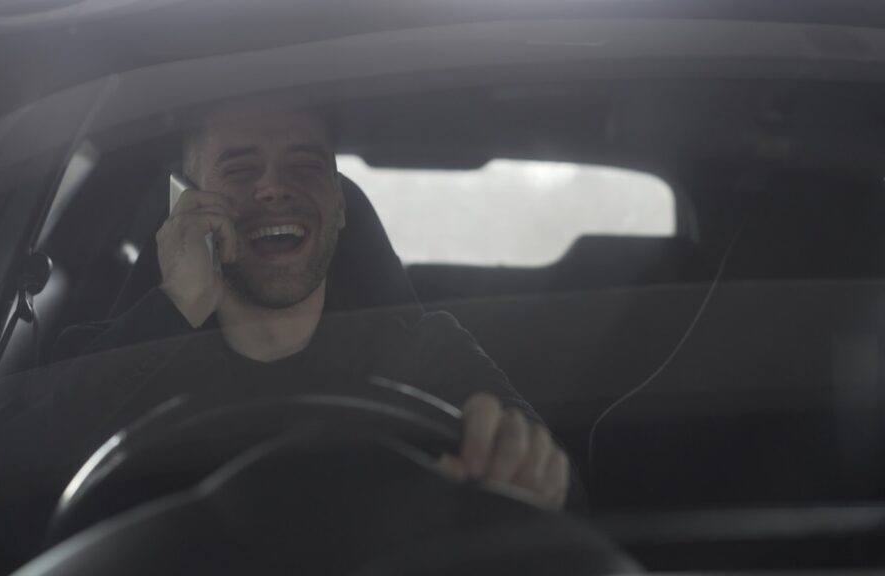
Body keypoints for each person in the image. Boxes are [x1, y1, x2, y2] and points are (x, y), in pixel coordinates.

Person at [35, 100, 571, 509]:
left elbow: (568, 500)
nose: (273, 189)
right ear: (186, 205)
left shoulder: (430, 353)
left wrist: (526, 472)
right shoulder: (108, 357)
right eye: (241, 170)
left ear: (339, 208)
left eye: (305, 168)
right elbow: (1, 495)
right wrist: (175, 305)